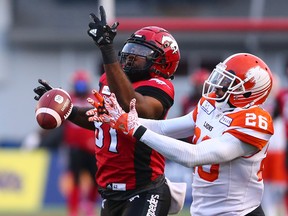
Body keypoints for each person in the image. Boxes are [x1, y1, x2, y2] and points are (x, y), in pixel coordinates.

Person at [33, 5, 181, 216]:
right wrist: (67, 109)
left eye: (140, 53)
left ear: (162, 62)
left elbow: (135, 106)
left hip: (144, 189)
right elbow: (99, 118)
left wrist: (106, 49)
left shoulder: (159, 86)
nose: (130, 56)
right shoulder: (109, 81)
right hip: (110, 193)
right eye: (130, 49)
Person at [92, 53, 275, 216]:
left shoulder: (254, 122)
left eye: (228, 82)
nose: (219, 85)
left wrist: (135, 129)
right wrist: (120, 119)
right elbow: (165, 128)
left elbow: (194, 155)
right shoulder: (212, 104)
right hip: (202, 211)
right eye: (221, 77)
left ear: (249, 92)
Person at [60, 70, 98, 216]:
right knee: (74, 179)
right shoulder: (68, 99)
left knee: (96, 179)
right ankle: (73, 209)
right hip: (74, 147)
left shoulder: (93, 98)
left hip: (92, 147)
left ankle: (89, 204)